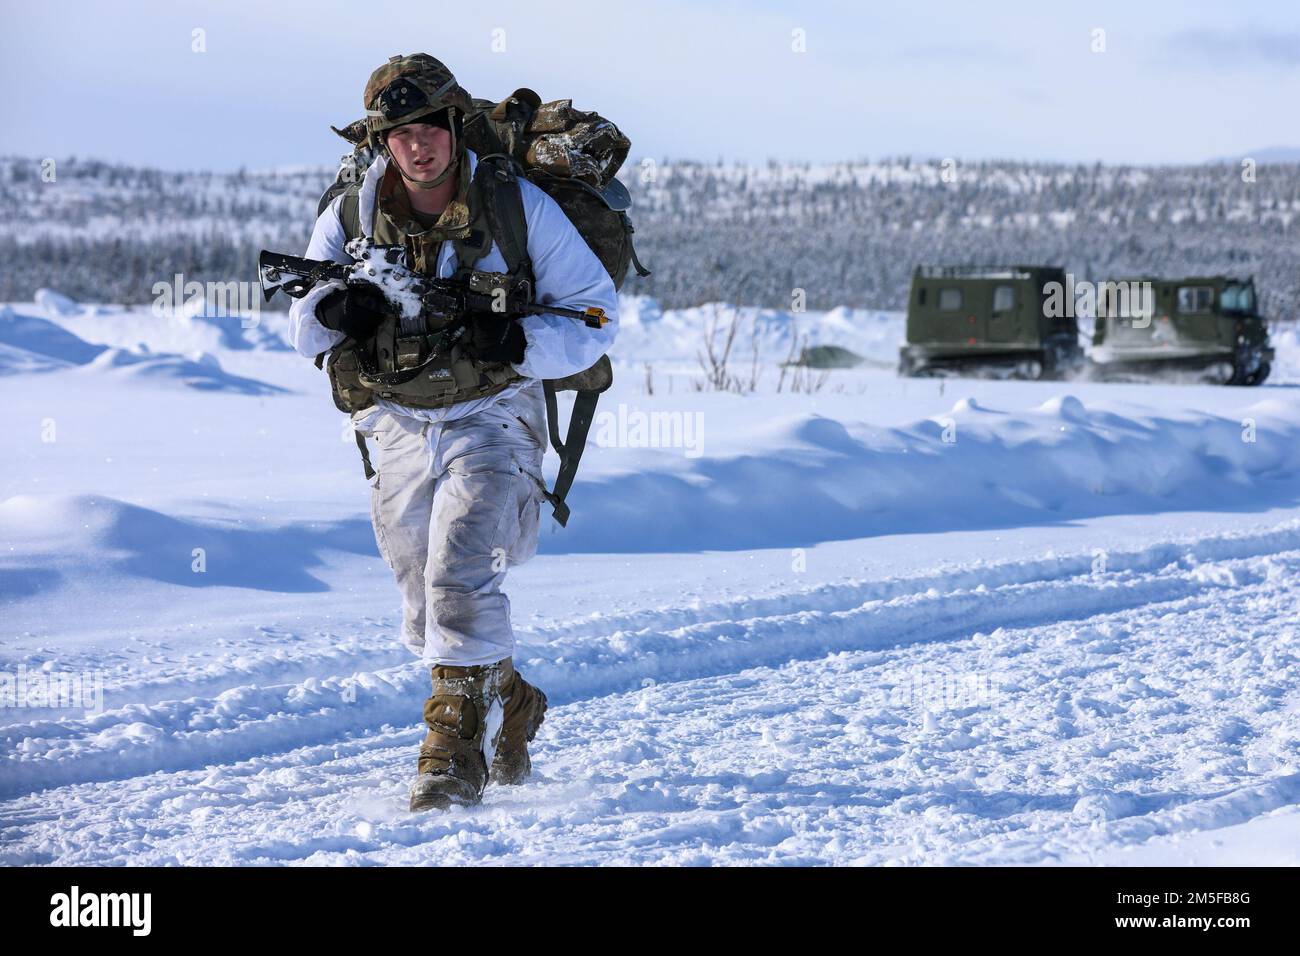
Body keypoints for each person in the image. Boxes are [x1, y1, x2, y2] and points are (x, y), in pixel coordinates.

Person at [286, 54, 618, 811]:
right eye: (398, 133)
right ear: (382, 141)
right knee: (425, 604)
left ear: (452, 124)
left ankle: (449, 753)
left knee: (460, 572)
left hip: (493, 414)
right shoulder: (350, 213)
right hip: (398, 418)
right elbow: (302, 326)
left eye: (428, 126)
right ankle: (511, 700)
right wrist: (342, 312)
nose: (416, 145)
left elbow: (597, 317)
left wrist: (521, 345)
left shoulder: (516, 205)